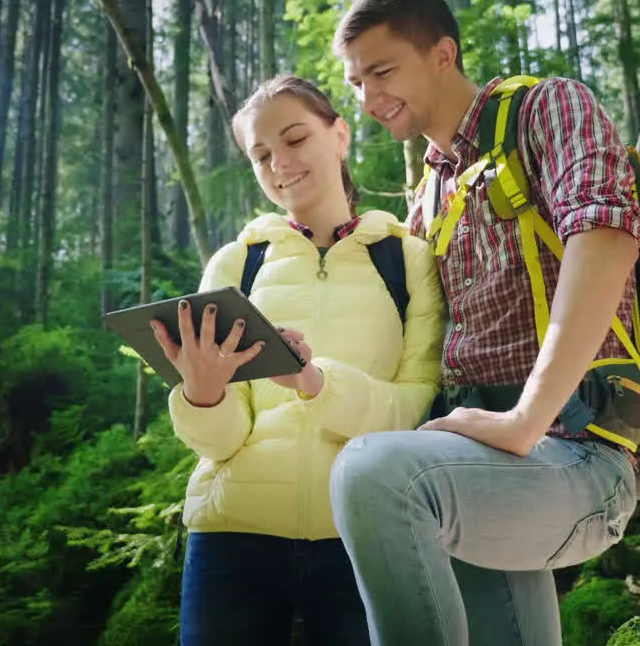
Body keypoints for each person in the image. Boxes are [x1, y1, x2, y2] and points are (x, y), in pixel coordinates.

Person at [327, 0, 640, 645]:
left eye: (382, 71)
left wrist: (526, 419)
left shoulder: (548, 107)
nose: (367, 98)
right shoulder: (429, 195)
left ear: (443, 53)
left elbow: (607, 235)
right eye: (355, 84)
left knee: (374, 476)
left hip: (580, 453)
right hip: (478, 459)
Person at [149, 74, 446, 646]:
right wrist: (203, 395)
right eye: (260, 154)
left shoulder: (407, 261)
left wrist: (313, 382)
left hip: (366, 534)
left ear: (339, 135)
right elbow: (219, 442)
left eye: (294, 139)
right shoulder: (237, 265)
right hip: (232, 536)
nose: (279, 163)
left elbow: (415, 409)